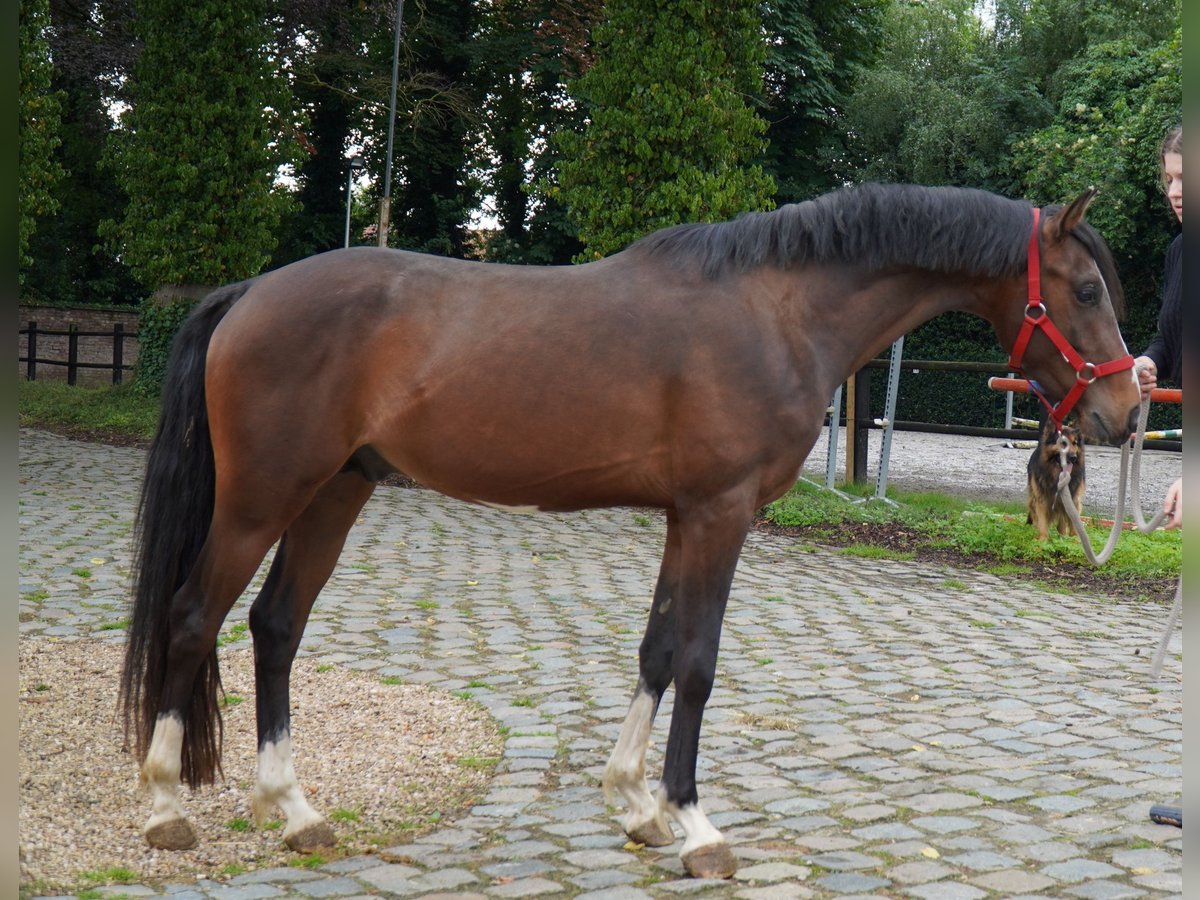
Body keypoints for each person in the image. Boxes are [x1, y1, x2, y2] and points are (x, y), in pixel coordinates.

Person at [1134, 125, 1182, 400]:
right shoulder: (1180, 251)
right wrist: (1149, 362)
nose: (1174, 192)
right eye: (1170, 179)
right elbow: (1171, 336)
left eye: (1186, 177)